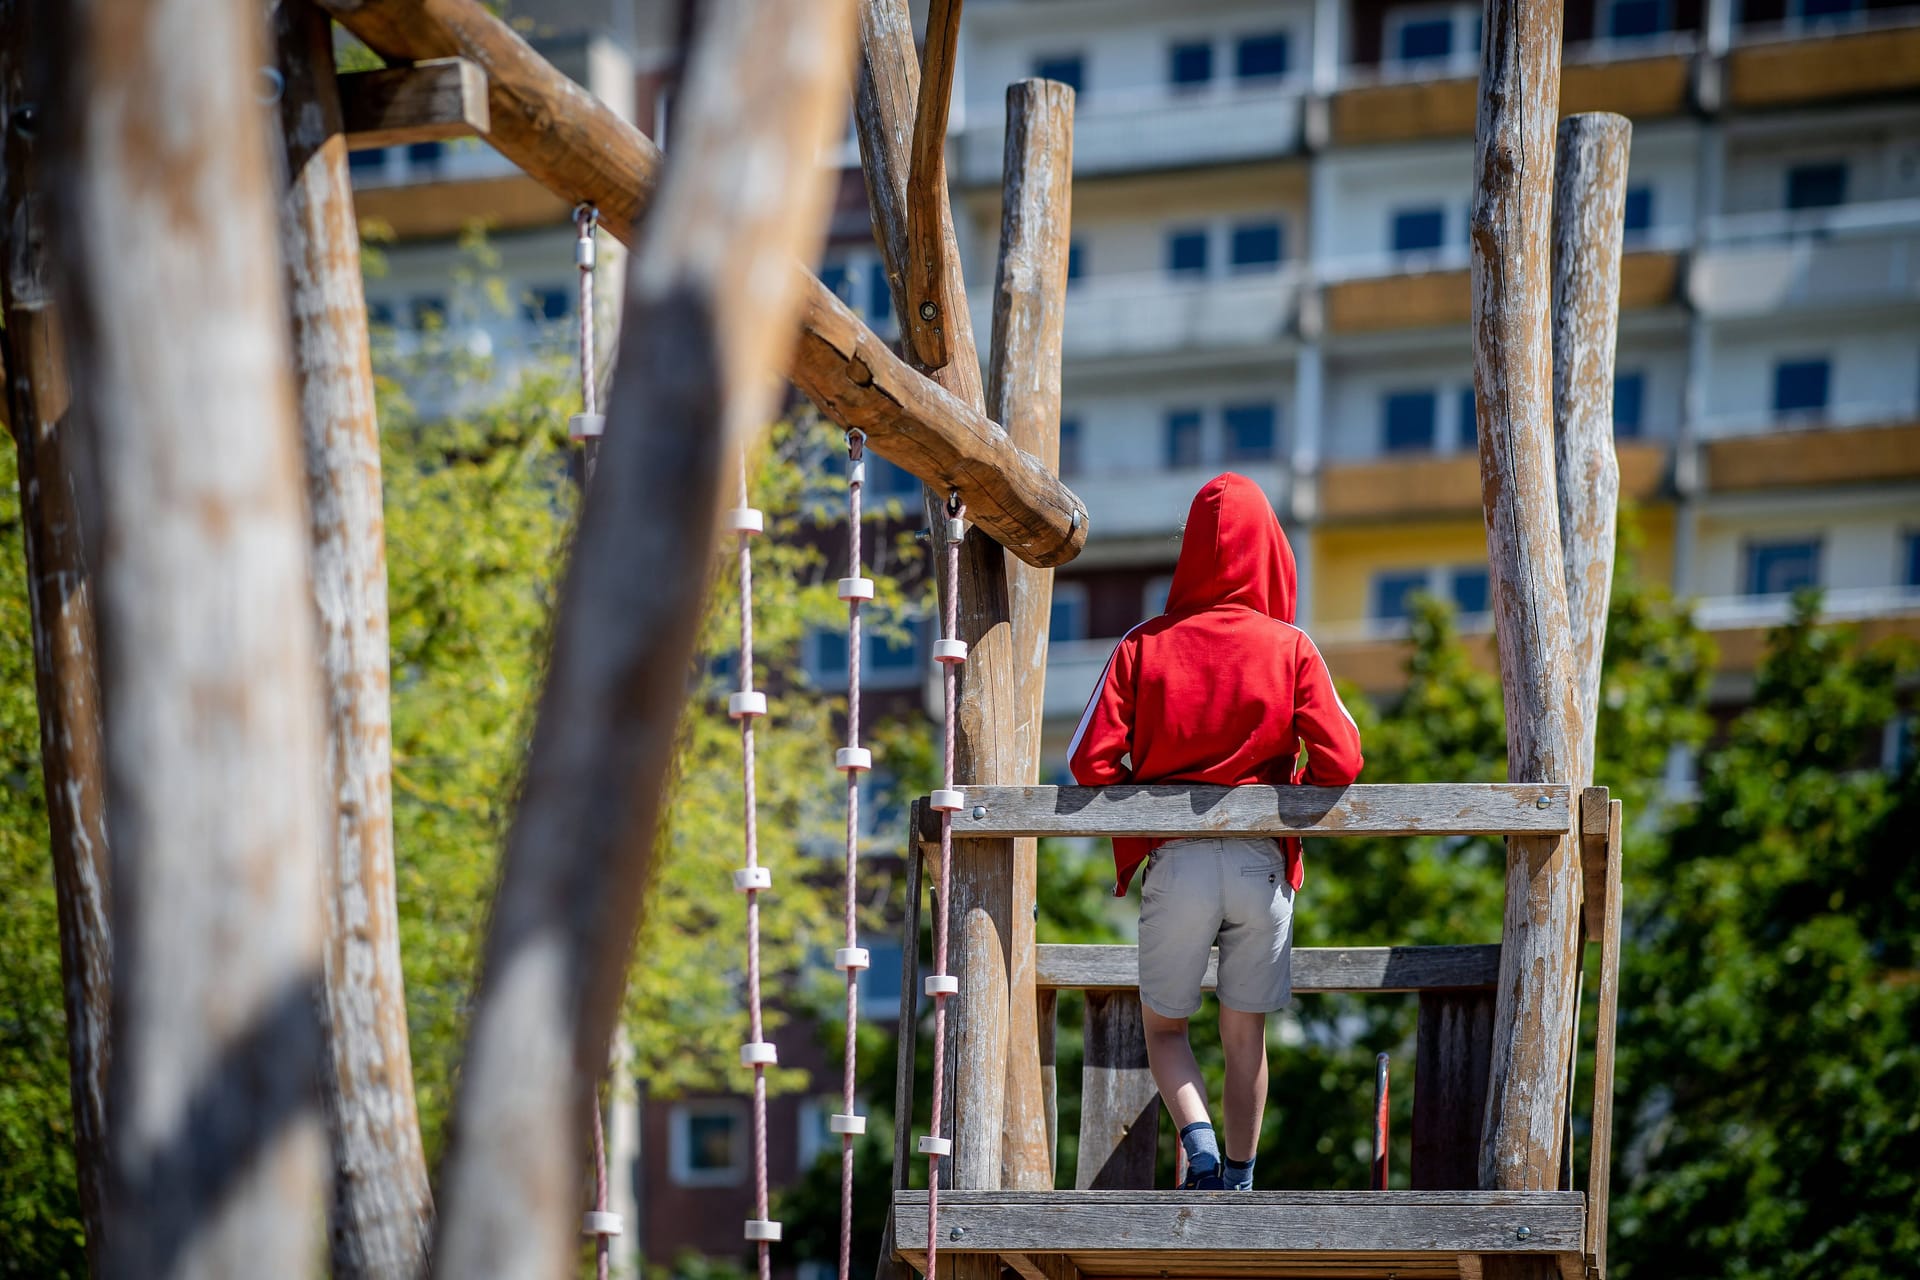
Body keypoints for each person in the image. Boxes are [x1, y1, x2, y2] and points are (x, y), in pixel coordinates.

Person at [1068, 472, 1364, 1190]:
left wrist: (1157, 772)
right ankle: (1237, 1180)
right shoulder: (1289, 646)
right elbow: (1344, 759)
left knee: (1165, 1030)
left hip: (1177, 867)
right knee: (1246, 1038)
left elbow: (1088, 762)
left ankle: (1196, 1148)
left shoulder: (1143, 645)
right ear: (1271, 549)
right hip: (1261, 865)